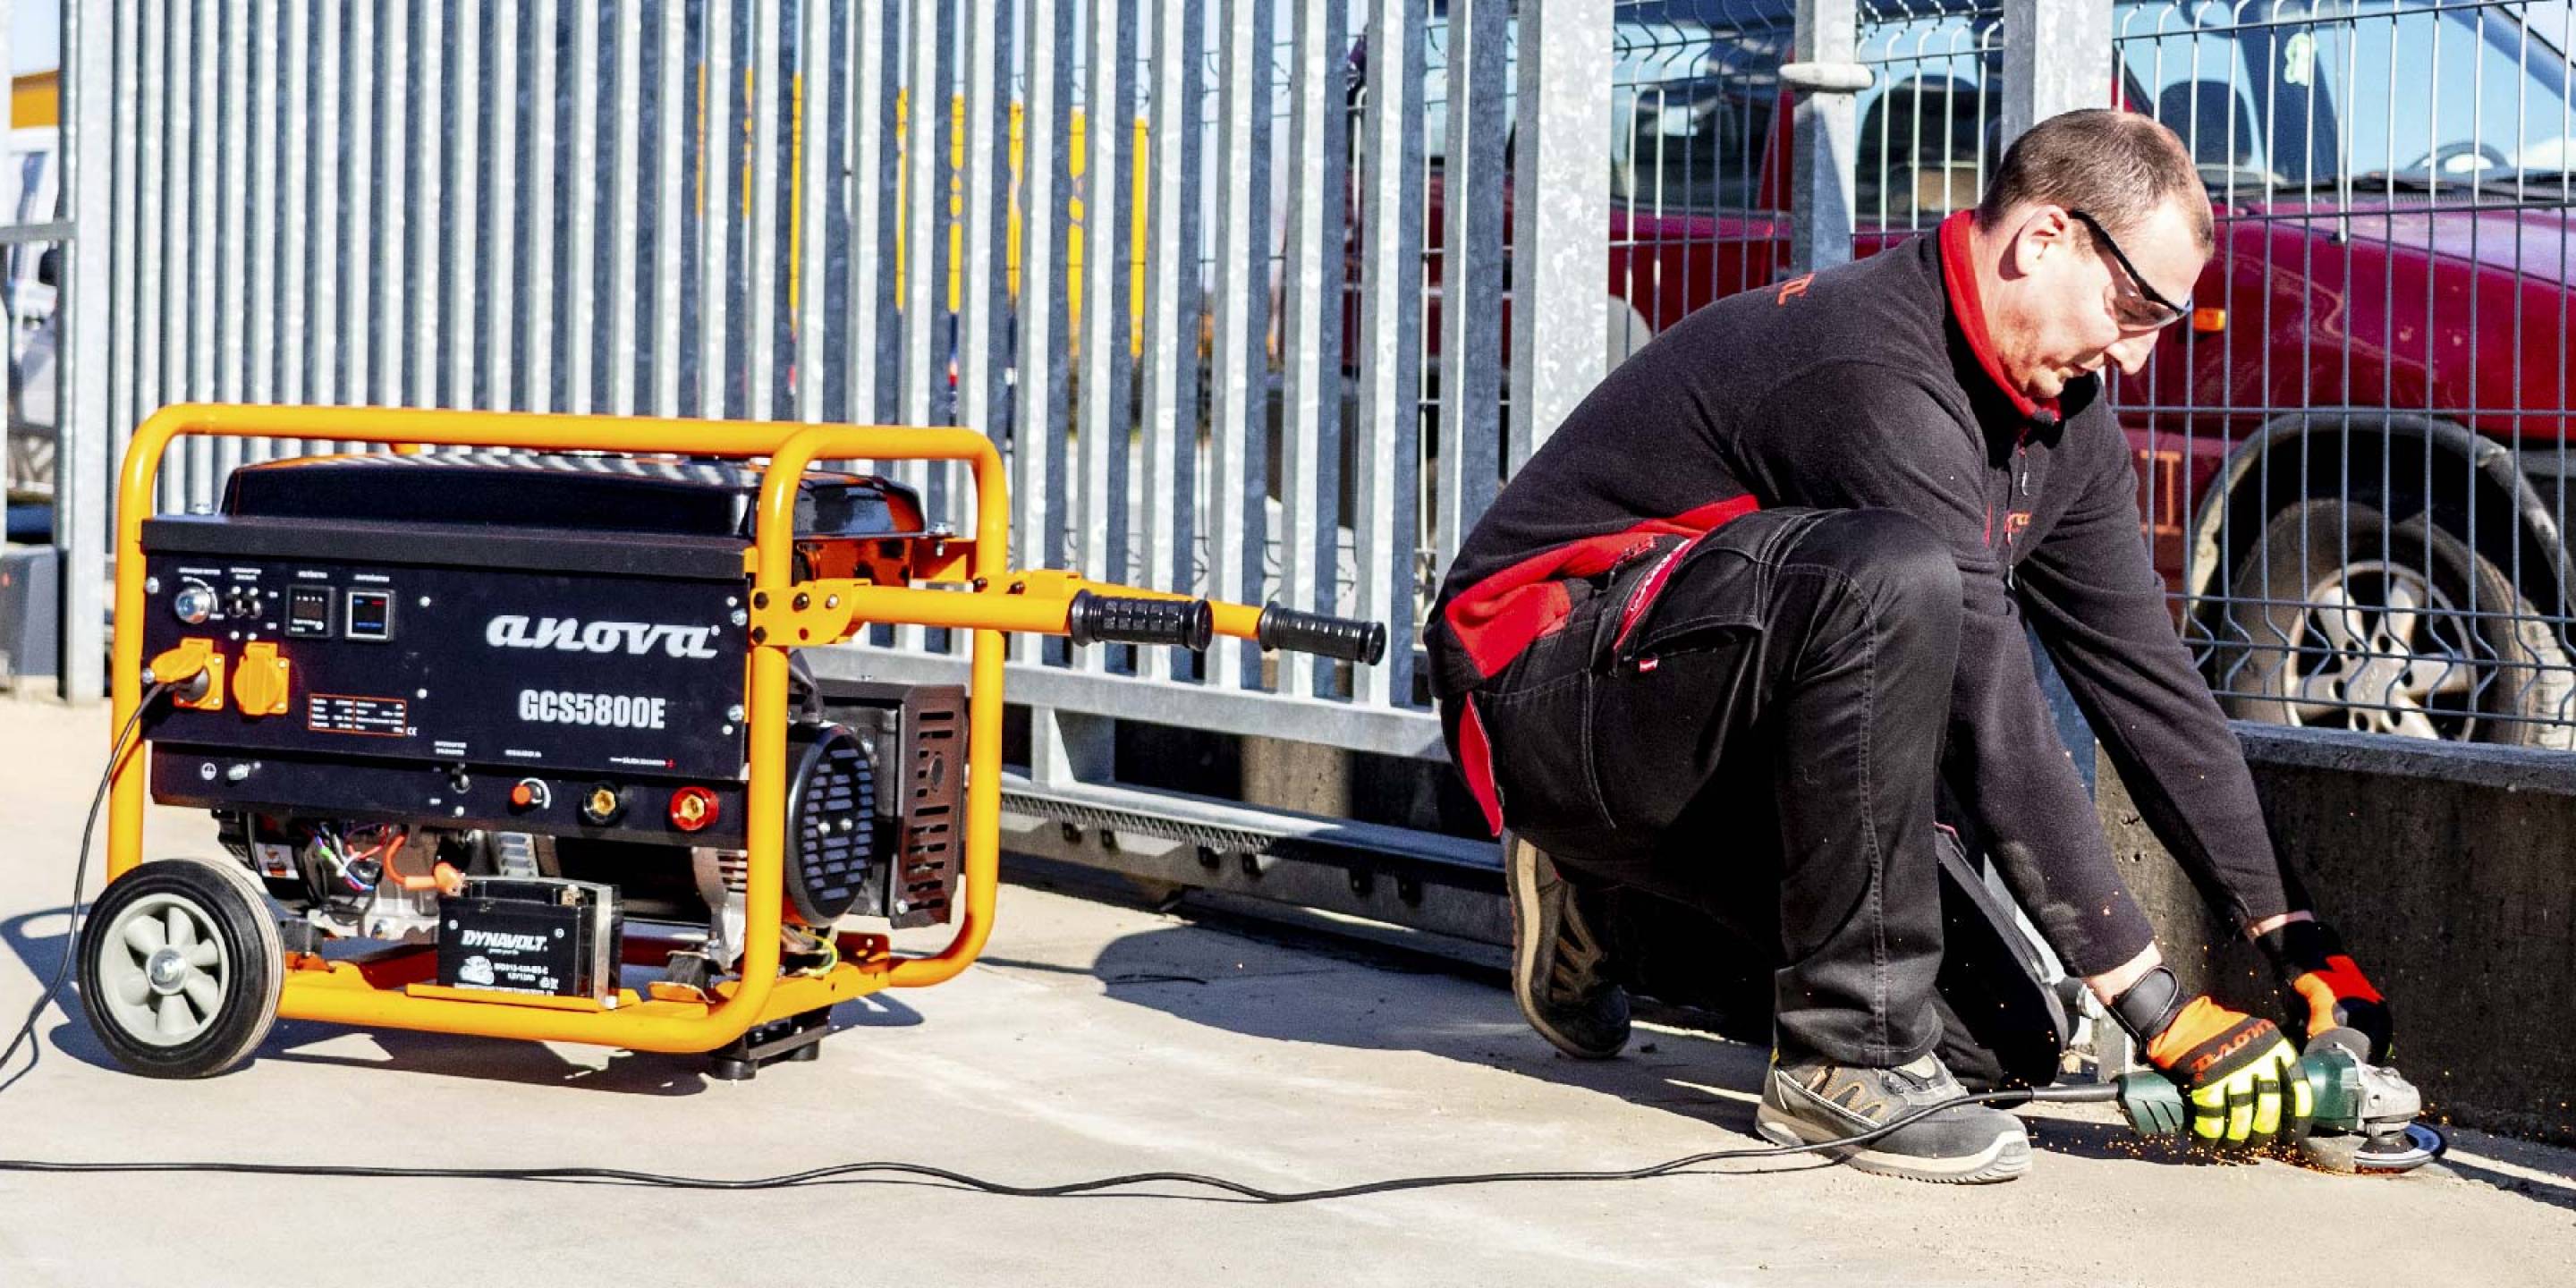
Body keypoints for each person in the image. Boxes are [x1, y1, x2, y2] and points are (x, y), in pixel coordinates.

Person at [1427, 109, 2393, 1183]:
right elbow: (1994, 708)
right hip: (1545, 694)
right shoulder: (1870, 365)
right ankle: (1841, 1066)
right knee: (1893, 579)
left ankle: (1619, 902)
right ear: (2044, 240)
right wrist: (2160, 1007)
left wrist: (2301, 946)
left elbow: (2151, 689)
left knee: (1998, 1044)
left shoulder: (2064, 422)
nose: (2134, 350)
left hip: (1710, 721)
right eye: (2132, 308)